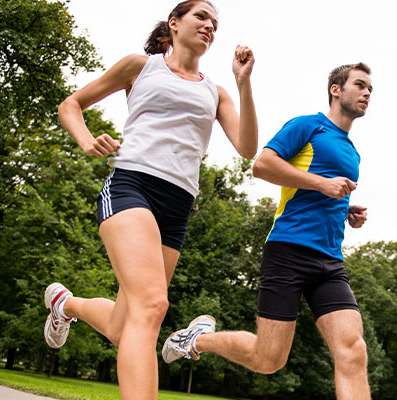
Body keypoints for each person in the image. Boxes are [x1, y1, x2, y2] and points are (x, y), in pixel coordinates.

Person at [44, 1, 257, 399]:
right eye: (201, 17)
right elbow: (70, 104)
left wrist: (243, 82)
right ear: (174, 24)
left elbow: (247, 148)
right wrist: (87, 140)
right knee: (153, 307)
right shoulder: (141, 67)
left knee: (123, 327)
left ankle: (65, 305)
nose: (209, 25)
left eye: (215, 22)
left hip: (177, 207)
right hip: (132, 186)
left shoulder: (217, 91)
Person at [162, 62, 373, 400]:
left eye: (370, 90)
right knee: (268, 359)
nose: (367, 93)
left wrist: (346, 211)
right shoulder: (309, 126)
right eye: (360, 85)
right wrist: (323, 185)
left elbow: (321, 193)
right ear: (336, 89)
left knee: (353, 350)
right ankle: (195, 340)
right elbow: (262, 165)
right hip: (288, 251)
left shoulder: (352, 151)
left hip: (331, 262)